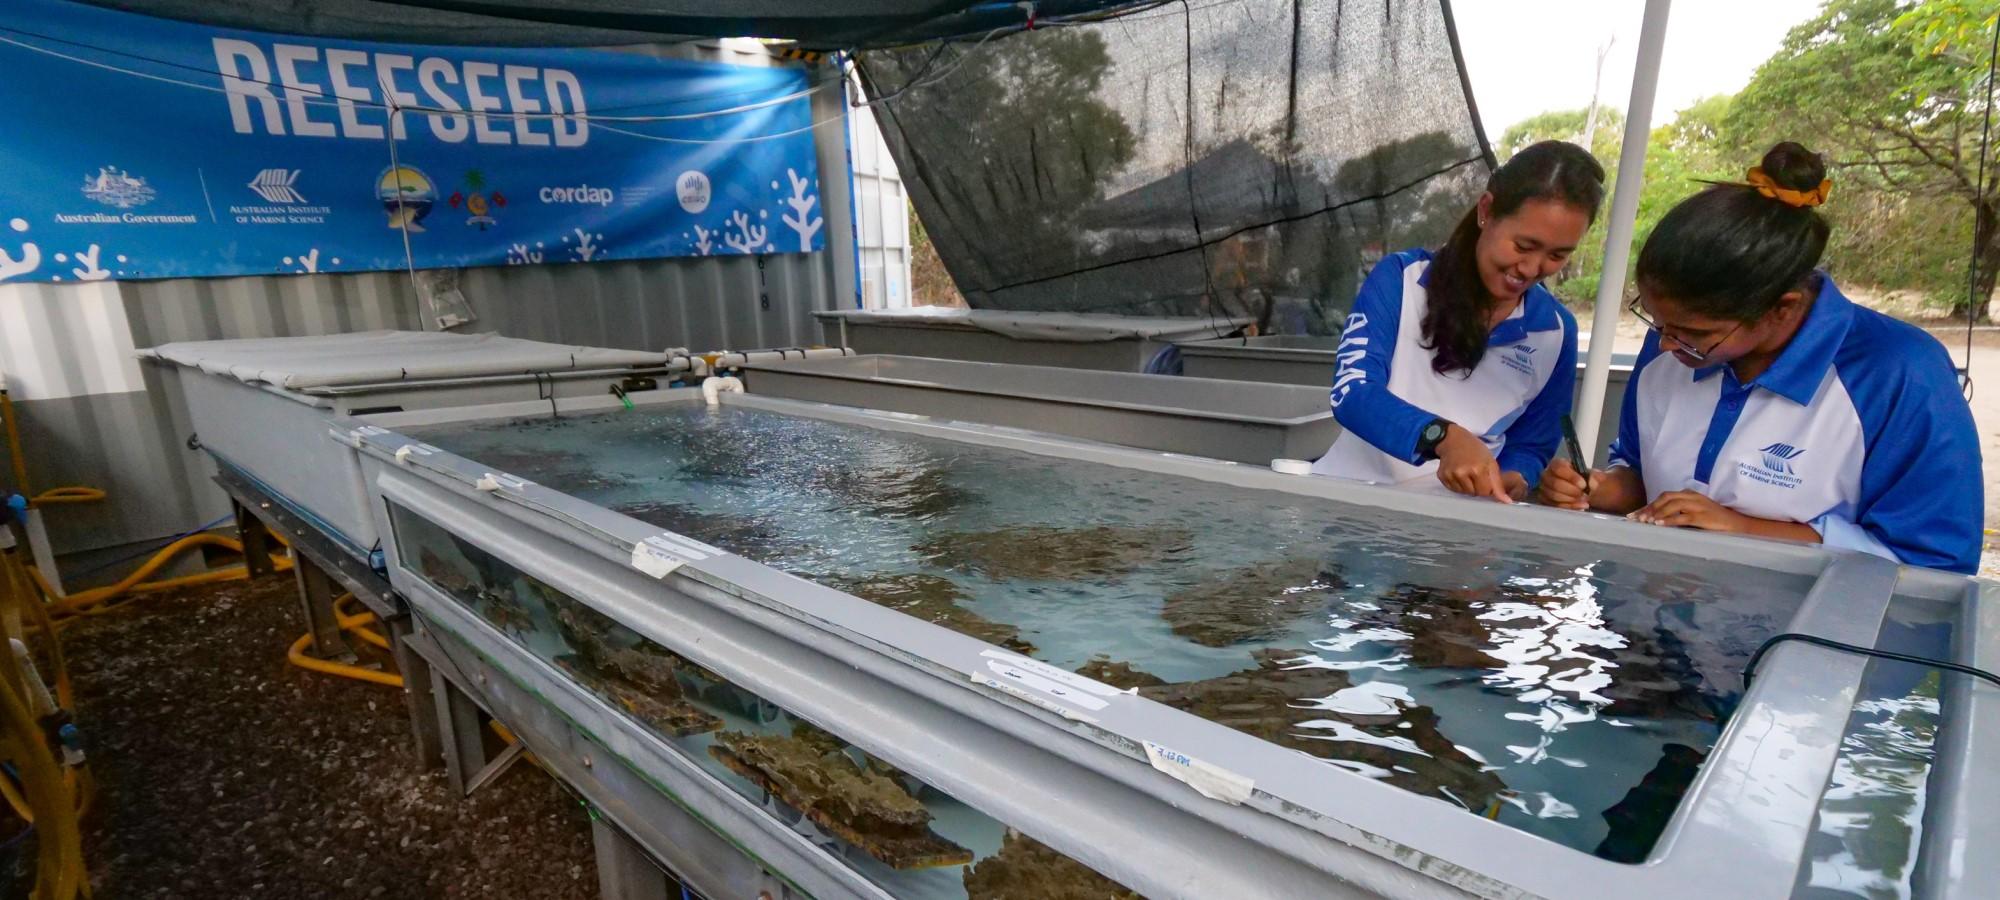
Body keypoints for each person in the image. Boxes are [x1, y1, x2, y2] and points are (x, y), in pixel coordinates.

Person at [1539, 142, 1983, 574]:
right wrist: (1600, 488)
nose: (1667, 345)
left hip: (1805, 638)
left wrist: (1744, 529)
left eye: (1695, 334)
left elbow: (1933, 565)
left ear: (1782, 308)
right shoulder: (1673, 344)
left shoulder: (1900, 376)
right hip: (1651, 621)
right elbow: (1639, 470)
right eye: (1655, 321)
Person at [1312, 141, 1605, 502]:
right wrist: (1444, 438)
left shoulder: (1556, 332)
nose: (1531, 269)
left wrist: (1514, 477)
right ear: (1486, 211)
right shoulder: (1402, 280)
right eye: (1523, 246)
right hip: (1350, 499)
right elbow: (1353, 393)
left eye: (1557, 255)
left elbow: (1533, 443)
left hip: (1460, 531)